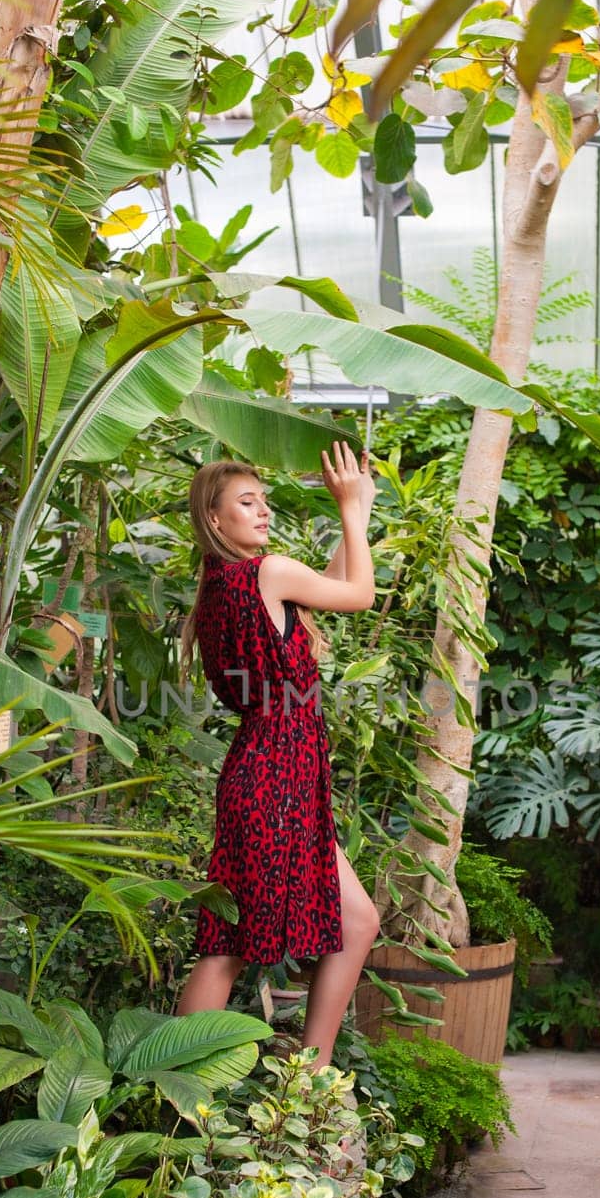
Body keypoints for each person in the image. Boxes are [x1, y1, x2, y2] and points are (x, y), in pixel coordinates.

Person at [176, 440, 381, 1068]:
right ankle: (174, 1085)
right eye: (247, 501)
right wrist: (349, 506)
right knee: (229, 944)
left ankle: (308, 1079)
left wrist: (358, 513)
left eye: (264, 500)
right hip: (275, 776)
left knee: (350, 922)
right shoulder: (267, 574)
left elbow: (332, 582)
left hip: (269, 771)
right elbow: (360, 594)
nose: (263, 510)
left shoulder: (224, 584)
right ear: (215, 519)